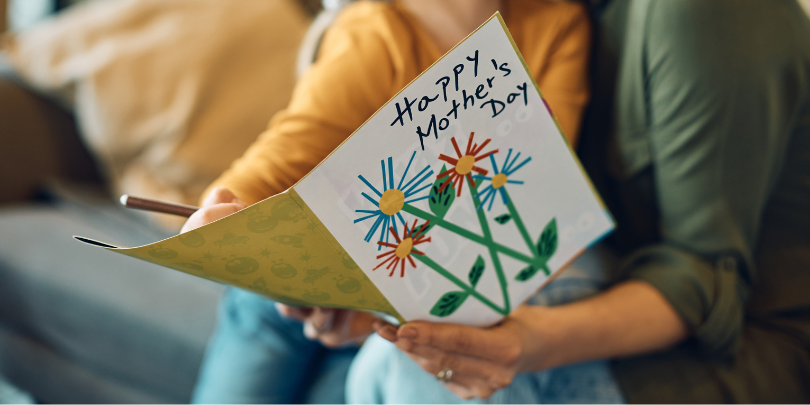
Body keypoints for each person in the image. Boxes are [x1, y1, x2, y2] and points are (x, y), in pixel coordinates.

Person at [343, 0, 810, 403]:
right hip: (611, 272)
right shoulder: (564, 16)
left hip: (737, 347)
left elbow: (703, 281)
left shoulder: (703, 15)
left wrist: (526, 343)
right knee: (324, 336)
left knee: (405, 367)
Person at [186, 0, 593, 403]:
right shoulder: (376, 30)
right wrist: (223, 211)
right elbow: (281, 157)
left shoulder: (556, 25)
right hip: (297, 290)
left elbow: (540, 189)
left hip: (395, 312)